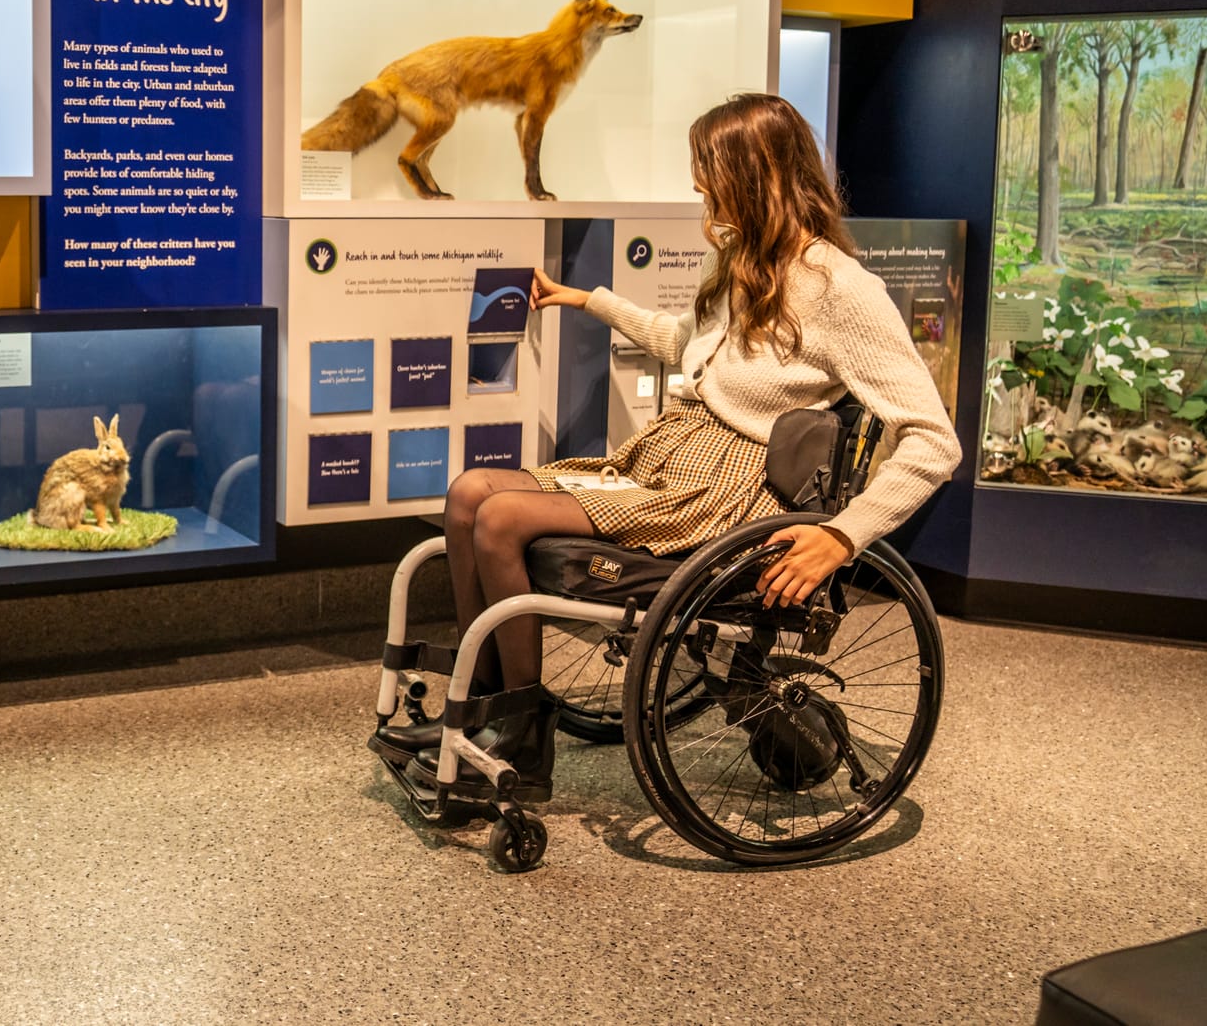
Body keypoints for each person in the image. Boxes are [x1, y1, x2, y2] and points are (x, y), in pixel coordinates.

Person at [379, 93, 961, 783]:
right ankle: (475, 709)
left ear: (758, 175)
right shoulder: (747, 260)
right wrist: (586, 298)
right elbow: (684, 342)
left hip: (729, 489)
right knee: (469, 492)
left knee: (501, 517)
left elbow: (932, 440)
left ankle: (520, 738)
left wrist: (842, 536)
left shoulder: (841, 289)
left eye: (707, 170)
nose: (697, 186)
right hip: (674, 454)